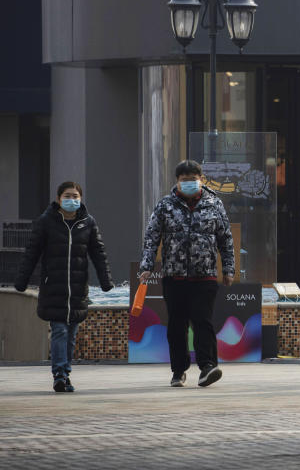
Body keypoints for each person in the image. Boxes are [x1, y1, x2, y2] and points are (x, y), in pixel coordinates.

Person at [137, 160, 235, 388]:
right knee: (177, 325)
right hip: (175, 275)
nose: (189, 183)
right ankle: (178, 370)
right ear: (177, 182)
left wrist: (228, 269)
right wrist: (146, 266)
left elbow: (226, 239)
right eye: (184, 180)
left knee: (203, 321)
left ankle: (208, 366)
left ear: (201, 179)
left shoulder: (214, 204)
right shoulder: (165, 206)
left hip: (205, 275)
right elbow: (152, 238)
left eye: (193, 179)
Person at [15, 181, 114, 393]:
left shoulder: (87, 222)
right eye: (67, 196)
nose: (72, 200)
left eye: (75, 196)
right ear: (59, 199)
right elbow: (32, 252)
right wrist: (22, 281)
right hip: (54, 287)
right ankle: (59, 374)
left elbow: (99, 253)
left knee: (71, 334)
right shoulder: (46, 222)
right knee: (59, 329)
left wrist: (106, 281)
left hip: (77, 288)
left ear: (81, 198)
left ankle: (65, 373)